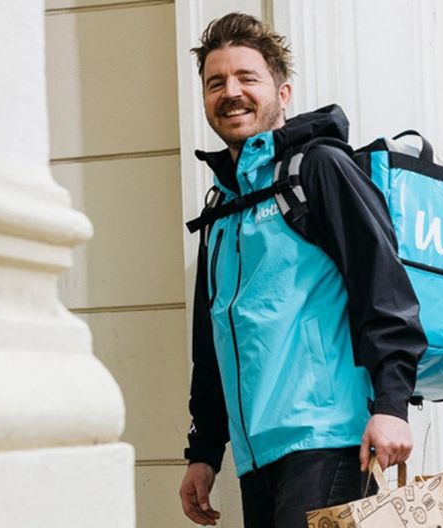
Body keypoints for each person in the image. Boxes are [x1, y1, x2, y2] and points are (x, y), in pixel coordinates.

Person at [179, 12, 427, 528]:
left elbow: (384, 289)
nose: (231, 92)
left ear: (283, 93)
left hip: (329, 438)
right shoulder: (220, 210)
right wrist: (204, 452)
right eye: (216, 82)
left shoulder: (318, 170)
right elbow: (212, 343)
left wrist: (391, 404)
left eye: (247, 78)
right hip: (257, 456)